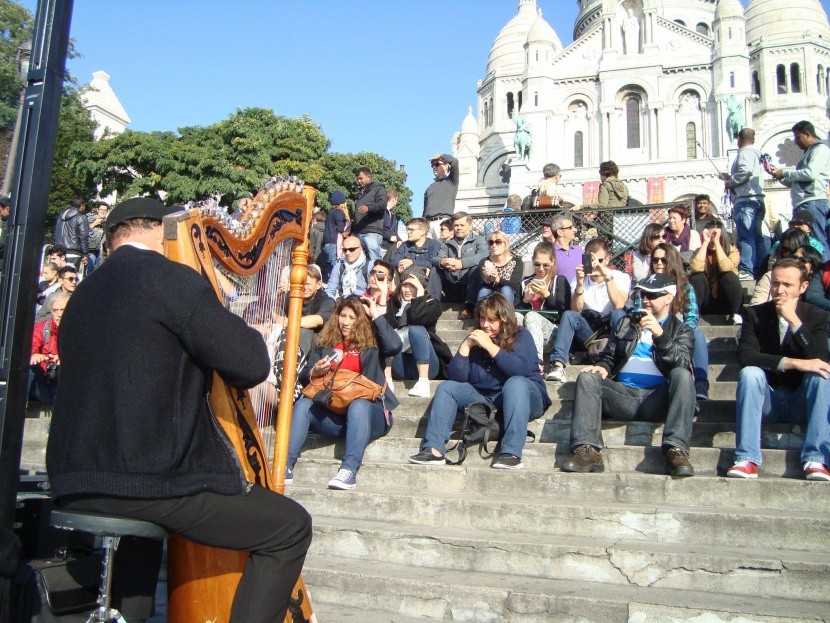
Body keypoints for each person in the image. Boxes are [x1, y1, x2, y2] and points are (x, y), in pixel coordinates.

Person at [45, 197, 311, 623]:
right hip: (146, 480)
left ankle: (130, 613)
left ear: (113, 238)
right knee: (289, 527)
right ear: (163, 231)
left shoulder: (81, 295)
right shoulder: (170, 280)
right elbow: (251, 364)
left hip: (74, 476)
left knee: (141, 534)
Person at [561, 273, 696, 477]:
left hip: (657, 398)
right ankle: (588, 450)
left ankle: (676, 450)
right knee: (587, 377)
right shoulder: (626, 324)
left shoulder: (682, 330)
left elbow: (682, 364)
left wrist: (660, 336)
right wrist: (603, 366)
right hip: (623, 395)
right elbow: (609, 356)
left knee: (682, 376)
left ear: (669, 297)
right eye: (643, 295)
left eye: (653, 295)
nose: (646, 300)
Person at [408, 293, 551, 470]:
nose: (485, 325)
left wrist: (490, 347)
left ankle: (511, 453)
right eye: (483, 318)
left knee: (515, 383)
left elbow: (519, 370)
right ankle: (433, 450)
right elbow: (457, 377)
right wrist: (466, 346)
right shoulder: (477, 338)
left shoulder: (521, 336)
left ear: (504, 319)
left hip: (526, 398)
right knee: (447, 387)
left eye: (492, 320)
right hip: (488, 397)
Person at [729, 258, 830, 481]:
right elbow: (746, 356)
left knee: (822, 376)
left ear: (803, 287)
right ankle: (747, 458)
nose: (779, 290)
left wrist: (794, 321)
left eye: (787, 285)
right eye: (775, 283)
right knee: (750, 373)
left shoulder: (818, 316)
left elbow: (821, 358)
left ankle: (816, 459)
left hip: (801, 400)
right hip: (768, 400)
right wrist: (795, 363)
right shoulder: (754, 314)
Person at [288, 297, 401, 489]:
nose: (346, 322)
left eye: (352, 317)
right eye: (342, 315)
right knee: (304, 404)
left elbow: (394, 346)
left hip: (370, 413)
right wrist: (314, 371)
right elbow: (306, 373)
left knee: (359, 405)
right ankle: (285, 464)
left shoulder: (373, 341)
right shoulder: (325, 341)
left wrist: (376, 315)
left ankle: (348, 470)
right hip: (336, 415)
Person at [547, 238, 631, 382]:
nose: (595, 264)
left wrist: (607, 277)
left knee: (619, 314)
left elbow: (619, 304)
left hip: (612, 331)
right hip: (590, 331)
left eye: (599, 260)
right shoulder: (579, 278)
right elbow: (575, 309)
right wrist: (580, 284)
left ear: (608, 259)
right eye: (590, 260)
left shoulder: (620, 277)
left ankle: (619, 364)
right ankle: (558, 365)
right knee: (569, 315)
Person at [649, 243, 709, 400]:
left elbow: (692, 317)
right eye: (655, 260)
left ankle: (701, 383)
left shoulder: (684, 287)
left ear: (672, 261)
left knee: (697, 334)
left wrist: (680, 334)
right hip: (651, 331)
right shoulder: (645, 286)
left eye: (664, 260)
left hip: (678, 334)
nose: (659, 263)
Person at [384, 270, 452, 398]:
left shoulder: (433, 304)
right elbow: (384, 328)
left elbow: (418, 319)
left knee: (416, 329)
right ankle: (387, 382)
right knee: (387, 334)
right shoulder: (393, 305)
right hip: (401, 365)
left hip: (428, 365)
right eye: (405, 285)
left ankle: (423, 382)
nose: (407, 290)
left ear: (421, 286)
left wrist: (419, 296)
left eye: (413, 286)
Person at [772, 120, 830, 261]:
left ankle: (825, 274)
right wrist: (778, 176)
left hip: (813, 201)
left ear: (807, 134)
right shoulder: (809, 152)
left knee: (818, 240)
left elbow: (810, 173)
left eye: (798, 137)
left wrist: (785, 173)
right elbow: (798, 181)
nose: (796, 142)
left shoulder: (820, 149)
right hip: (804, 202)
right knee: (807, 242)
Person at [517, 241, 571, 369]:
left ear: (553, 262)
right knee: (515, 316)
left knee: (532, 315)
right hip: (527, 335)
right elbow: (516, 310)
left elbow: (563, 313)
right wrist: (525, 300)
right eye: (537, 264)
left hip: (551, 334)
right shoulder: (525, 282)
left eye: (546, 265)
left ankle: (537, 363)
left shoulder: (560, 281)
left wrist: (547, 295)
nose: (541, 269)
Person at [721, 128, 766, 279]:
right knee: (757, 237)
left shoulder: (745, 153)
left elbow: (745, 171)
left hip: (746, 200)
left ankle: (747, 269)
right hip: (757, 199)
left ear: (740, 139)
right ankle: (760, 268)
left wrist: (731, 182)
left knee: (746, 236)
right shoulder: (757, 153)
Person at [689, 219, 743, 325]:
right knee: (696, 277)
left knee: (729, 275)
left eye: (715, 235)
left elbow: (725, 267)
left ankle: (735, 314)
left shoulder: (732, 250)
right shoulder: (699, 251)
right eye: (709, 235)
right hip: (707, 300)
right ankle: (694, 315)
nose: (712, 238)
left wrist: (717, 243)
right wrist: (705, 243)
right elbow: (695, 268)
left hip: (725, 298)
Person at [435, 211, 489, 311]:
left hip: (470, 285)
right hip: (452, 284)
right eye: (456, 225)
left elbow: (483, 255)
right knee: (436, 269)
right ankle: (432, 305)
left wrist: (461, 263)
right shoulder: (447, 244)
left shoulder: (479, 240)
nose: (459, 228)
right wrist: (444, 262)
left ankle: (469, 307)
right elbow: (436, 259)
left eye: (462, 225)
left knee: (477, 268)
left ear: (469, 225)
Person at [463, 231, 523, 315]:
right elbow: (480, 285)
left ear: (505, 244)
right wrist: (487, 279)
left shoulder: (517, 262)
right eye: (491, 242)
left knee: (506, 289)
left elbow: (515, 285)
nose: (494, 245)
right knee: (484, 290)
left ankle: (506, 319)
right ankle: (481, 319)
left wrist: (498, 279)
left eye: (498, 242)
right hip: (491, 292)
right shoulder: (484, 261)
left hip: (510, 295)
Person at [751, 228, 810, 305]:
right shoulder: (770, 274)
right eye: (785, 249)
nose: (789, 255)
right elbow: (756, 305)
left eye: (794, 251)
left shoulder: (815, 275)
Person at [392, 217, 443, 300]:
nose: (408, 232)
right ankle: (395, 301)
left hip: (426, 280)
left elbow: (433, 261)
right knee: (392, 270)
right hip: (406, 277)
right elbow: (395, 260)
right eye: (407, 229)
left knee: (435, 270)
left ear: (422, 232)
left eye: (411, 230)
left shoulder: (434, 244)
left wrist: (412, 262)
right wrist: (399, 265)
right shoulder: (405, 245)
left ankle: (432, 301)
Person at [29, 293, 67, 404]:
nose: (59, 314)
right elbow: (32, 343)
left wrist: (65, 359)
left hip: (68, 386)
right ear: (51, 312)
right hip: (44, 382)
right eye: (55, 310)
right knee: (29, 370)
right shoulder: (42, 327)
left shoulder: (81, 330)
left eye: (63, 310)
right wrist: (34, 354)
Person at [353, 167, 388, 263]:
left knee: (375, 260)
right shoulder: (360, 193)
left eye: (361, 178)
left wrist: (369, 208)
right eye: (357, 179)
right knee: (357, 260)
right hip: (359, 231)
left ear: (369, 177)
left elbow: (382, 204)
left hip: (372, 231)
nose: (358, 181)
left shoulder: (379, 189)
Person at [423, 153, 459, 238]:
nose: (434, 167)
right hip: (428, 225)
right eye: (432, 165)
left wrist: (441, 156)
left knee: (443, 248)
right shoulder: (429, 188)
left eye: (437, 164)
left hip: (443, 222)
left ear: (446, 166)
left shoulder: (451, 181)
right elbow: (425, 210)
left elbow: (454, 162)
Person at [325, 235, 369, 301]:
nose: (348, 253)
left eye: (352, 249)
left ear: (360, 249)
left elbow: (373, 292)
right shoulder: (339, 266)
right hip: (343, 303)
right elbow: (330, 290)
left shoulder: (369, 266)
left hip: (362, 303)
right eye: (345, 250)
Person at [320, 190, 351, 281]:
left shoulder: (330, 213)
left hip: (327, 243)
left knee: (330, 267)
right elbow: (341, 229)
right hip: (334, 243)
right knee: (335, 266)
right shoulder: (339, 212)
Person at [53, 196, 90, 269]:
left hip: (59, 252)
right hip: (74, 252)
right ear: (82, 205)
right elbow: (83, 236)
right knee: (70, 277)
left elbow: (55, 235)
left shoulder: (60, 218)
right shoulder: (81, 217)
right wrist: (85, 253)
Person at [551, 214, 583, 282]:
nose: (575, 230)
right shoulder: (550, 252)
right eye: (570, 228)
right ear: (560, 232)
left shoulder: (579, 250)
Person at [86, 201, 109, 272]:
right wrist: (94, 223)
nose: (103, 212)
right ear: (97, 210)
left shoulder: (107, 222)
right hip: (90, 250)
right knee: (89, 271)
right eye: (101, 210)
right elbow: (83, 232)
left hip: (101, 251)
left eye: (105, 210)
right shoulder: (89, 218)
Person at [382, 187, 401, 252]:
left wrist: (399, 240)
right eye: (396, 200)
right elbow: (378, 228)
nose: (397, 202)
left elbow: (394, 231)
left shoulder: (393, 215)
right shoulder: (381, 212)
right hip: (381, 246)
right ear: (394, 199)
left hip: (390, 248)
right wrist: (389, 237)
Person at [0, 194, 10, 281]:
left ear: (7, 208)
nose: (0, 214)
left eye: (0, 211)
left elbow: (2, 243)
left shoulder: (9, 224)